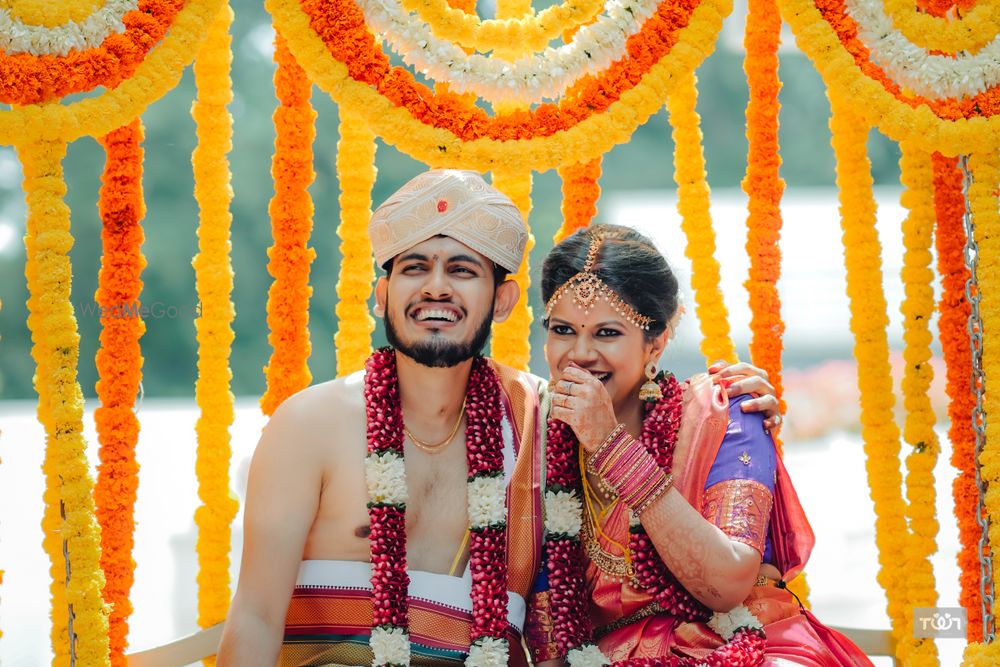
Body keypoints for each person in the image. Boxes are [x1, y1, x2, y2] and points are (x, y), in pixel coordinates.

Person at [217, 171, 777, 667]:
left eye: (461, 269)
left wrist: (736, 404)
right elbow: (256, 619)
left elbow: (643, 431)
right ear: (383, 294)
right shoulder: (309, 424)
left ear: (503, 302)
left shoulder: (540, 419)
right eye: (415, 267)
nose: (436, 285)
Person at [524, 224, 873, 666]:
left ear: (656, 342)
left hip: (749, 644)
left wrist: (610, 445)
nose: (580, 353)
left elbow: (727, 581)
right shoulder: (533, 431)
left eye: (607, 333)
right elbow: (547, 622)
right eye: (563, 330)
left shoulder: (722, 413)